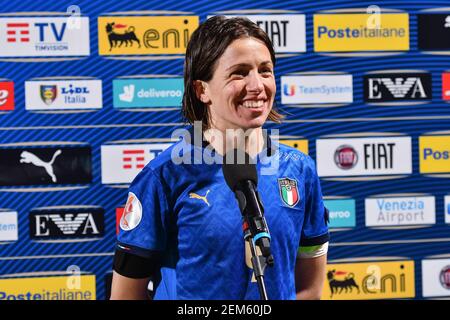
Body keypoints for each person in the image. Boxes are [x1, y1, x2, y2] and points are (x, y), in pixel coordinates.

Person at [110, 15, 329, 300]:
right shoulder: (165, 176)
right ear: (202, 90)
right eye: (239, 73)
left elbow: (308, 290)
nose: (257, 85)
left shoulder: (300, 171)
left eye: (265, 71)